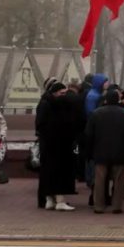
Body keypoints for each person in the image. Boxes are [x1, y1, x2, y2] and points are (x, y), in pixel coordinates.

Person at [84, 90, 124, 214]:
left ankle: (99, 206)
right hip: (120, 151)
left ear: (106, 100)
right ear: (118, 100)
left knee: (100, 180)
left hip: (100, 152)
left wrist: (89, 152)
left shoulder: (96, 114)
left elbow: (89, 135)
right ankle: (117, 206)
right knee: (119, 180)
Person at [36, 82, 79, 211]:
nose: (64, 95)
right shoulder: (54, 106)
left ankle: (50, 199)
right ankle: (59, 200)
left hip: (51, 145)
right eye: (62, 93)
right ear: (54, 93)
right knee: (58, 172)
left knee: (49, 172)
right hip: (57, 145)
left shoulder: (46, 103)